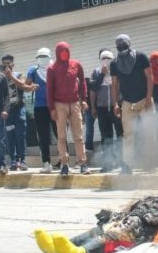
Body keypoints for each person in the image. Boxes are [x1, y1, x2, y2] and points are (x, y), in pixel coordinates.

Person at [33, 195, 158, 253]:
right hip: (134, 219)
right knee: (101, 229)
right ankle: (55, 247)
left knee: (116, 235)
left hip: (142, 233)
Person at [110, 34, 155, 175]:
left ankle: (150, 165)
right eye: (119, 44)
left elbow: (150, 77)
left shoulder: (141, 57)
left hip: (144, 100)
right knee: (128, 135)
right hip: (127, 103)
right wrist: (115, 104)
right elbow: (115, 84)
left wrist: (148, 98)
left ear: (129, 44)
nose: (121, 47)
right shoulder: (114, 63)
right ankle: (127, 165)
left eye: (123, 44)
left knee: (149, 133)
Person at [46, 41, 91, 176]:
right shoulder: (52, 68)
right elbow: (49, 89)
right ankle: (64, 164)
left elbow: (82, 82)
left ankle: (83, 163)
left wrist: (84, 100)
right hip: (60, 105)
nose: (64, 53)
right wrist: (51, 109)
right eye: (61, 51)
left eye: (66, 51)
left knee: (78, 135)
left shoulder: (76, 65)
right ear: (57, 53)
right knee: (62, 136)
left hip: (75, 103)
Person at [0, 54, 37, 172]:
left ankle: (23, 160)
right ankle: (14, 161)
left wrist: (11, 77)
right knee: (10, 137)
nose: (6, 66)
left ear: (13, 65)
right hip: (7, 112)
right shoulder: (0, 78)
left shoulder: (19, 75)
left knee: (20, 136)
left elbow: (23, 86)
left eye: (8, 63)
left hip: (19, 109)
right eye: (4, 64)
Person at [89, 49, 123, 173]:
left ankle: (121, 160)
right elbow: (92, 90)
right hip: (102, 108)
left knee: (120, 134)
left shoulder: (117, 70)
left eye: (108, 58)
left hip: (117, 107)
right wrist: (93, 107)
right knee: (106, 136)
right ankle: (108, 162)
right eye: (103, 58)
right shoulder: (96, 72)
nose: (106, 61)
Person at [26, 48, 58, 174]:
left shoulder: (55, 68)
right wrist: (31, 87)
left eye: (45, 56)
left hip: (55, 106)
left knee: (59, 134)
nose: (42, 58)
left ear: (50, 57)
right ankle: (46, 163)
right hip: (39, 107)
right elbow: (26, 86)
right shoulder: (33, 70)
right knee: (43, 136)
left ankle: (63, 160)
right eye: (40, 56)